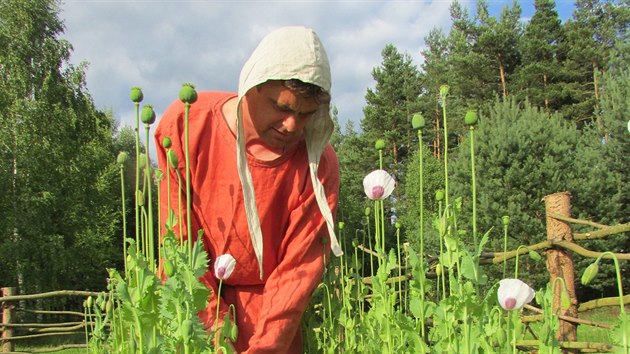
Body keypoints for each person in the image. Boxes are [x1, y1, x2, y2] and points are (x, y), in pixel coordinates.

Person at [154, 26, 342, 353]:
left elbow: (298, 272)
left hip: (271, 317)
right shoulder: (187, 126)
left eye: (306, 114)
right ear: (252, 86)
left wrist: (266, 348)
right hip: (189, 303)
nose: (292, 126)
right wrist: (213, 333)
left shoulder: (317, 165)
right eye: (282, 107)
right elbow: (179, 243)